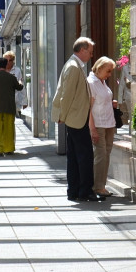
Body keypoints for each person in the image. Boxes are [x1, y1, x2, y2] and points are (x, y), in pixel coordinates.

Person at [51, 37, 103, 202]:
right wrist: (62, 116)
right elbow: (67, 94)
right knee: (84, 156)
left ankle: (74, 191)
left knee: (74, 157)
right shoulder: (74, 67)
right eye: (90, 52)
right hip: (76, 119)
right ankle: (85, 191)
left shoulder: (73, 65)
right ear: (82, 50)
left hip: (74, 118)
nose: (92, 55)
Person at [87, 56, 118, 196]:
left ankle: (102, 185)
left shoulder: (102, 81)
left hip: (109, 122)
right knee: (101, 155)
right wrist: (92, 128)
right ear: (99, 69)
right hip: (99, 123)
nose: (109, 74)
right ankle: (98, 186)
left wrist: (111, 104)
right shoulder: (91, 82)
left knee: (106, 154)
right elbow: (89, 108)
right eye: (108, 71)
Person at [4, 51, 27, 117]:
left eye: (10, 60)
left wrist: (24, 101)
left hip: (15, 100)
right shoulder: (0, 70)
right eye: (6, 60)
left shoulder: (17, 70)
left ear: (13, 61)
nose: (8, 62)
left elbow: (22, 86)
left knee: (12, 120)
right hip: (3, 100)